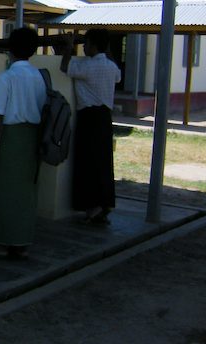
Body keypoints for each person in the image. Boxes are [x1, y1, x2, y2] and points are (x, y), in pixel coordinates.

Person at [0, 27, 46, 259]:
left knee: (6, 191)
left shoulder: (8, 77)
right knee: (26, 193)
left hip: (13, 137)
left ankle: (1, 244)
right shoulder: (38, 76)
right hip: (33, 137)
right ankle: (21, 243)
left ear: (10, 49)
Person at [59, 29, 121, 225]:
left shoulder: (87, 67)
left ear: (94, 45)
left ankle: (92, 207)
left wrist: (68, 48)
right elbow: (117, 75)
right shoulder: (111, 67)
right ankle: (105, 203)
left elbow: (64, 67)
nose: (84, 47)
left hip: (89, 117)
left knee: (87, 162)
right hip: (105, 117)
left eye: (86, 43)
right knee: (103, 162)